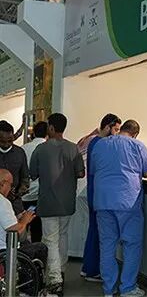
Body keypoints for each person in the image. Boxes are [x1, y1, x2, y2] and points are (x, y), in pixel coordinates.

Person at [92, 119, 147, 297]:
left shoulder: (100, 144)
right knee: (131, 245)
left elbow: (94, 168)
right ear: (135, 134)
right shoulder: (137, 145)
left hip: (103, 201)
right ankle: (128, 288)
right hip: (128, 202)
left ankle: (108, 289)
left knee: (107, 246)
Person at [30, 113, 85, 296]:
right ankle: (60, 270)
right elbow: (81, 173)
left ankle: (54, 280)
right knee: (62, 236)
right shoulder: (73, 148)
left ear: (51, 127)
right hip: (67, 202)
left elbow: (33, 174)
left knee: (50, 240)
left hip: (48, 203)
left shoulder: (41, 149)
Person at [81, 113, 122, 282]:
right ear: (107, 127)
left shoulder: (93, 141)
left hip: (94, 191)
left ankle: (88, 267)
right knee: (98, 233)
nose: (117, 134)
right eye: (116, 129)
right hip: (98, 194)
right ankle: (92, 270)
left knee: (94, 231)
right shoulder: (101, 143)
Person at [0, 169, 48, 271]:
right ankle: (29, 279)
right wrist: (25, 221)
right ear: (3, 183)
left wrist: (17, 219)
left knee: (26, 243)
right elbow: (14, 231)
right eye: (10, 185)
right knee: (40, 247)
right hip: (5, 251)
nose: (11, 189)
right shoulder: (3, 202)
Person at [21, 121, 48, 243]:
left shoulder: (23, 148)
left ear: (34, 133)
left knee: (22, 227)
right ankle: (35, 251)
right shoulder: (47, 149)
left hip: (23, 194)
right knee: (37, 229)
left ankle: (20, 251)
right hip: (39, 195)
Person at [0, 120, 29, 215]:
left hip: (15, 205)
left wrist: (18, 192)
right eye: (2, 142)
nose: (6, 144)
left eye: (10, 141)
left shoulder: (19, 153)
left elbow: (25, 178)